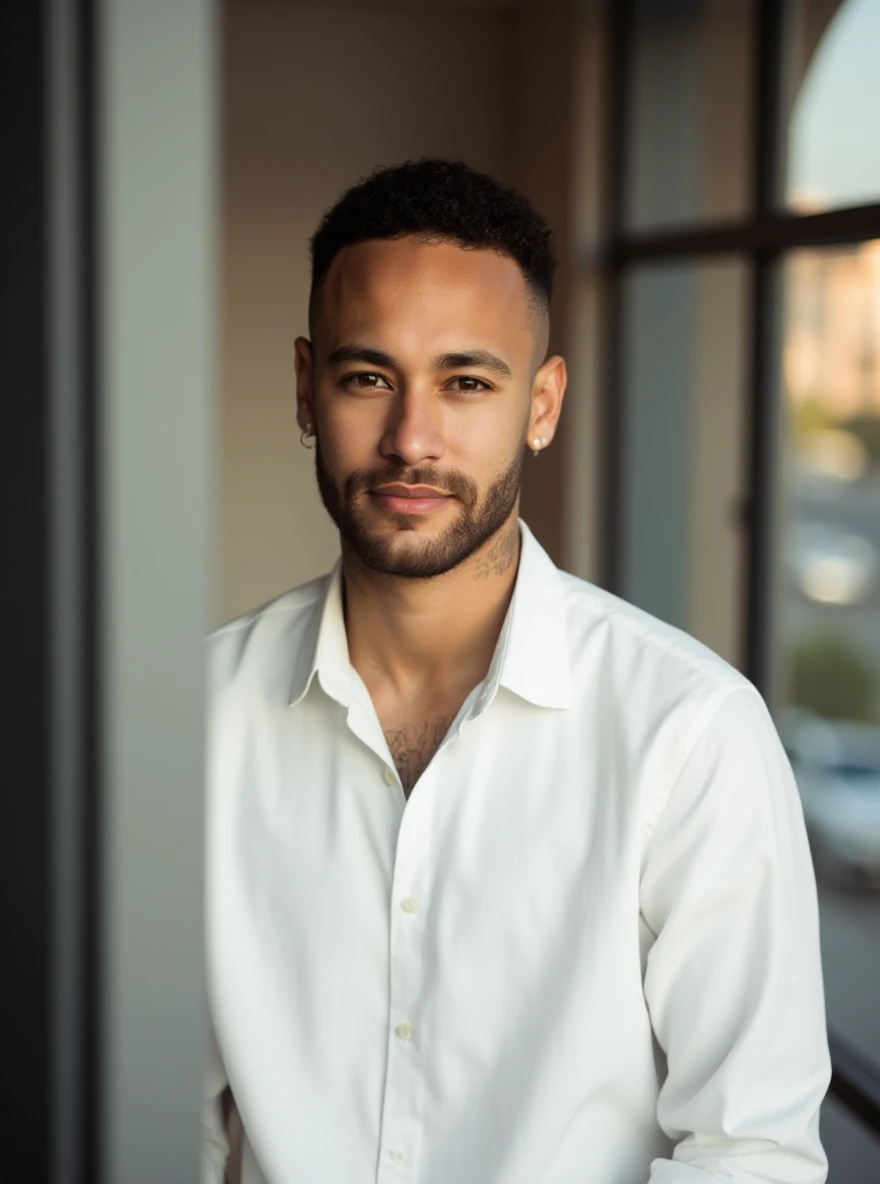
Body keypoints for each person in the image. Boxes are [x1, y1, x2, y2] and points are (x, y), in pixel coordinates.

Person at [203, 159, 830, 1184]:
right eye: (369, 377)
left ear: (541, 403)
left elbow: (750, 1154)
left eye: (465, 381)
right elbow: (146, 1114)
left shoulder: (688, 732)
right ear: (307, 389)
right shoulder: (195, 718)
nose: (412, 437)